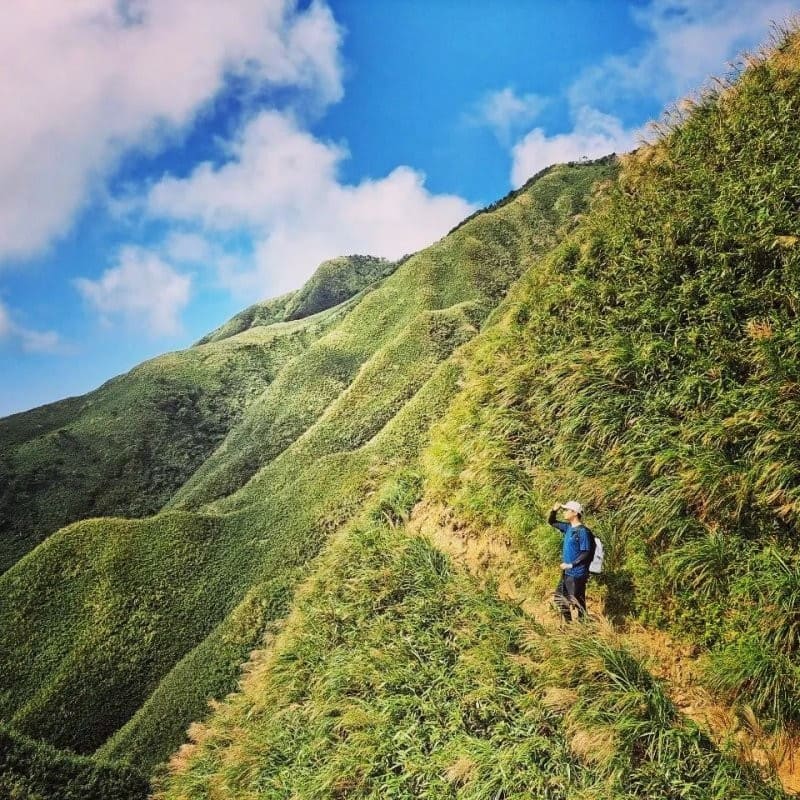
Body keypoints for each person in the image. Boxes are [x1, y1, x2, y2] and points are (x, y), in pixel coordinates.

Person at [548, 500, 593, 622]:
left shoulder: (583, 532)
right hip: (568, 573)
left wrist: (571, 564)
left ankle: (584, 627)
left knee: (577, 603)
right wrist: (554, 510)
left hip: (577, 574)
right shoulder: (568, 528)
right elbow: (551, 521)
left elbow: (586, 552)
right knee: (559, 598)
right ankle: (569, 626)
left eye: (567, 510)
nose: (565, 512)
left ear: (574, 513)